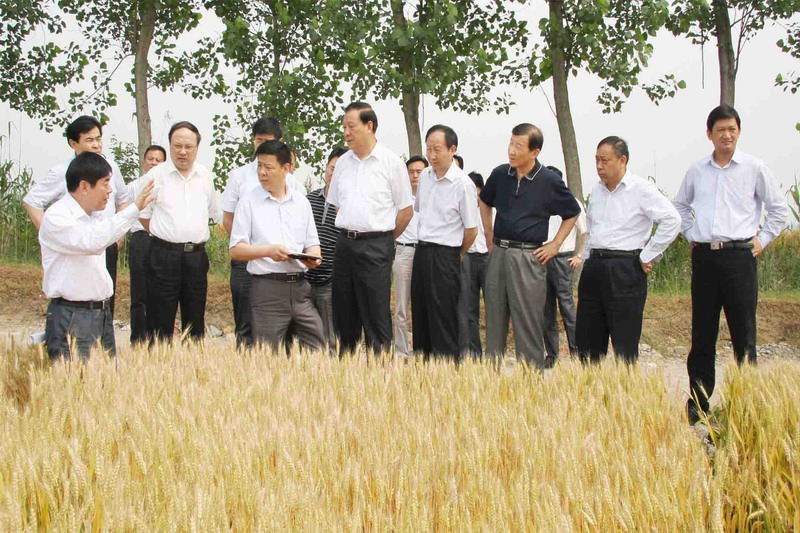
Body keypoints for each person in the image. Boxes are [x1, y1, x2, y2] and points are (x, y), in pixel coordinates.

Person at [675, 105, 788, 424]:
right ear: (709, 134)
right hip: (705, 258)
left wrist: (762, 240)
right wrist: (691, 234)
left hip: (740, 257)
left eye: (732, 129)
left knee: (744, 332)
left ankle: (746, 400)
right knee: (702, 333)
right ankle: (699, 403)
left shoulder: (754, 168)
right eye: (721, 130)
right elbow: (679, 207)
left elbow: (779, 210)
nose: (727, 135)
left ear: (739, 132)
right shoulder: (697, 170)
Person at [479, 123, 580, 368]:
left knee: (528, 322)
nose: (511, 151)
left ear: (535, 152)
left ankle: (531, 379)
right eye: (510, 143)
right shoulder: (500, 174)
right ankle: (490, 378)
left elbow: (572, 213)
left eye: (519, 146)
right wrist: (489, 234)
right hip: (499, 253)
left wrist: (555, 244)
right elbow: (485, 201)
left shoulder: (549, 180)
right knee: (494, 319)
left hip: (528, 256)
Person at [576, 136, 681, 363]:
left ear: (622, 160)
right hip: (595, 267)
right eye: (596, 160)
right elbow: (592, 230)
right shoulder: (597, 191)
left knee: (624, 342)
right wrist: (587, 259)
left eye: (605, 160)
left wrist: (648, 255)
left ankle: (625, 384)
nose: (599, 166)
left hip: (625, 269)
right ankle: (588, 384)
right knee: (587, 340)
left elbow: (672, 220)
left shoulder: (641, 189)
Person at [39, 152, 154, 360]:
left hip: (101, 313)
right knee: (77, 377)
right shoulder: (57, 217)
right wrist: (134, 209)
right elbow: (92, 242)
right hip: (73, 315)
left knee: (105, 378)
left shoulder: (94, 216)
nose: (110, 190)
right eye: (105, 183)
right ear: (84, 187)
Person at [327, 102, 413, 355]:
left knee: (375, 315)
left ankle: (379, 370)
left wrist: (383, 239)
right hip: (345, 245)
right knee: (344, 313)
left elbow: (406, 211)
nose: (346, 132)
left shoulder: (391, 162)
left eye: (351, 126)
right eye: (344, 127)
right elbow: (337, 205)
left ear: (369, 126)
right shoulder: (343, 163)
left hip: (376, 246)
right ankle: (346, 367)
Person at [23, 115, 131, 316]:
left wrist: (119, 236)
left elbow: (123, 199)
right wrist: (51, 233)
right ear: (73, 143)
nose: (96, 145)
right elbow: (32, 201)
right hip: (77, 245)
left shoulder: (111, 167)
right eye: (89, 140)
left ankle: (103, 333)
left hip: (106, 242)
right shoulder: (62, 171)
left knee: (105, 299)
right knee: (79, 302)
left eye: (98, 139)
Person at [229, 140, 325, 352]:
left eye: (268, 167)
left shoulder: (301, 202)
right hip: (267, 289)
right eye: (259, 166)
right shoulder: (248, 202)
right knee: (268, 356)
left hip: (301, 289)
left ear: (286, 168)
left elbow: (312, 243)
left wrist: (313, 258)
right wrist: (268, 251)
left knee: (318, 347)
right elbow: (236, 249)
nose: (262, 172)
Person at [222, 117, 302, 347]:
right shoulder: (239, 176)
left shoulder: (293, 183)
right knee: (246, 323)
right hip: (246, 261)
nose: (261, 146)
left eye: (267, 141)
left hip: (281, 267)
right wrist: (252, 249)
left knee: (283, 329)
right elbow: (228, 219)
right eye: (258, 141)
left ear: (280, 142)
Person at [140, 121, 219, 342]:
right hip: (163, 256)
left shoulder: (205, 176)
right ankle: (159, 361)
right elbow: (144, 215)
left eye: (188, 146)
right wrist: (166, 237)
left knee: (195, 319)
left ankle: (192, 361)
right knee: (159, 320)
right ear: (170, 145)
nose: (183, 152)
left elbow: (211, 212)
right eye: (177, 146)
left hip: (196, 257)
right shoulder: (155, 176)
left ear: (197, 148)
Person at [411, 125, 478, 360]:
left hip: (446, 255)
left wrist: (456, 253)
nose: (431, 155)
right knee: (420, 315)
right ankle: (422, 368)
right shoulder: (425, 177)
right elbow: (421, 211)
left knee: (443, 319)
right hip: (422, 251)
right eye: (428, 149)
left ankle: (446, 370)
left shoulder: (463, 184)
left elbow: (471, 230)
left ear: (452, 149)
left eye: (437, 149)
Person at [542, 165, 587, 368]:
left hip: (563, 258)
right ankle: (552, 355)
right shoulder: (541, 200)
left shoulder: (572, 201)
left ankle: (576, 351)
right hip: (542, 258)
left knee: (567, 307)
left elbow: (584, 231)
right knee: (546, 310)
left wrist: (579, 255)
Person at [307, 146, 348, 354]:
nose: (334, 174)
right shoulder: (308, 200)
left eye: (340, 170)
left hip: (331, 281)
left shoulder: (349, 204)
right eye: (332, 168)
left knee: (331, 338)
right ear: (325, 169)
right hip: (304, 279)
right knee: (306, 338)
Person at [126, 144, 167, 345]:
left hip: (162, 242)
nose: (154, 163)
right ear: (144, 162)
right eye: (150, 159)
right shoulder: (133, 187)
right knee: (139, 291)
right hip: (141, 239)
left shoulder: (169, 186)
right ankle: (138, 339)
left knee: (160, 292)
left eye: (158, 160)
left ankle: (157, 339)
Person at [393, 155, 427, 357]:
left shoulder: (431, 196)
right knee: (401, 305)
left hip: (425, 251)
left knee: (423, 303)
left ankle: (423, 349)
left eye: (419, 172)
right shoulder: (400, 198)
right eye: (411, 172)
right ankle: (401, 350)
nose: (415, 176)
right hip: (404, 251)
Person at [466, 171, 489, 356]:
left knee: (493, 306)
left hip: (488, 259)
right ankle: (475, 353)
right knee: (469, 308)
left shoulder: (491, 210)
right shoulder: (463, 210)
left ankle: (493, 351)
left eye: (476, 191)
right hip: (468, 258)